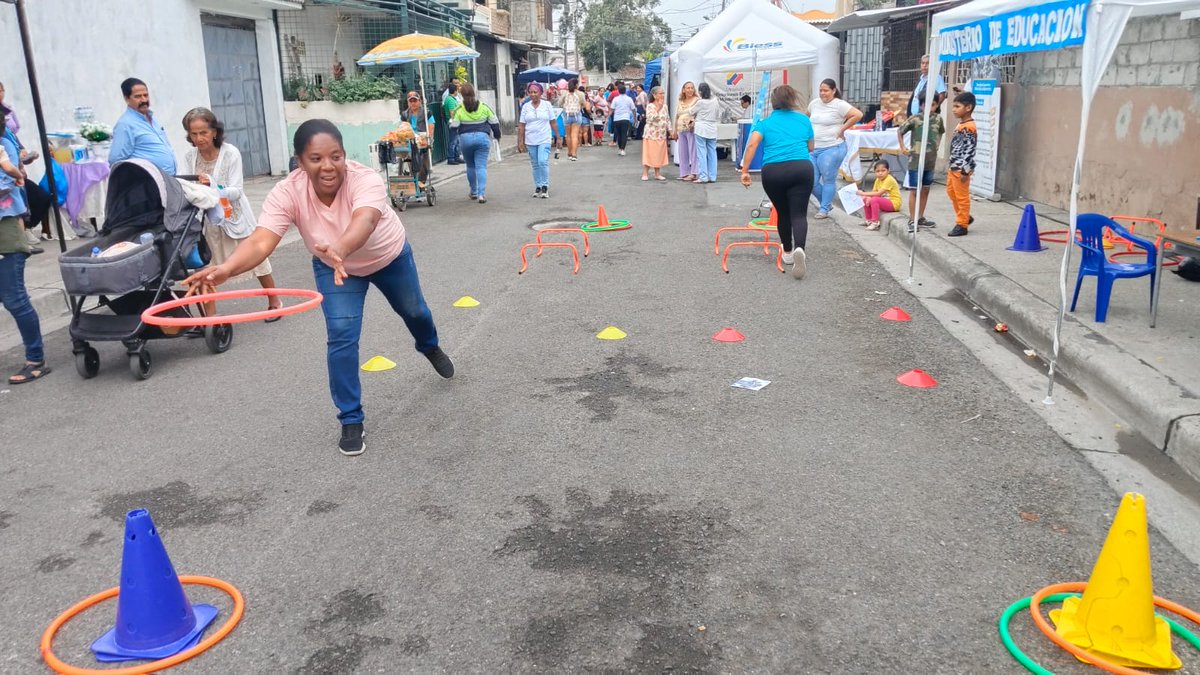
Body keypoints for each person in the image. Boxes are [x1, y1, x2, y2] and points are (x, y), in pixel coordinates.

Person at [183, 119, 454, 456]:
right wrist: (224, 269)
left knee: (415, 312)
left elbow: (365, 220)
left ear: (344, 156)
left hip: (388, 256)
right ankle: (351, 417)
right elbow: (262, 241)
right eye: (316, 158)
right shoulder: (288, 191)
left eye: (336, 156)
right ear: (300, 161)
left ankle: (429, 346)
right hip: (334, 269)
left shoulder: (364, 178)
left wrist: (340, 247)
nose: (328, 166)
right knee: (341, 335)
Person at [182, 107, 282, 316]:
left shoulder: (230, 153)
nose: (199, 138)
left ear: (214, 132)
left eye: (204, 132)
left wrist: (212, 185)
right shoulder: (190, 156)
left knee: (257, 260)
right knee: (204, 266)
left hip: (234, 217)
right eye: (194, 133)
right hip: (208, 221)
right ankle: (211, 318)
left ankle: (274, 299)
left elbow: (236, 191)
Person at [739, 85, 815, 280]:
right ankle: (800, 248)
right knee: (799, 213)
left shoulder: (765, 123)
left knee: (782, 212)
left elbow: (752, 144)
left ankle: (788, 253)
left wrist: (745, 171)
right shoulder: (804, 120)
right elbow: (811, 147)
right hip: (801, 168)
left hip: (774, 171)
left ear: (774, 103)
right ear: (792, 99)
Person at [0, 109, 49, 384]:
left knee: (14, 298)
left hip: (6, 228)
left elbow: (11, 182)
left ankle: (36, 359)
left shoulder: (5, 144)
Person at [808, 79, 863, 219]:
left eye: (826, 90)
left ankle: (824, 208)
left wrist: (843, 128)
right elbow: (806, 117)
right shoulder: (814, 103)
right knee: (810, 180)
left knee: (828, 179)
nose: (822, 93)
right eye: (821, 90)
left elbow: (858, 115)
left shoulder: (839, 105)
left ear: (833, 90)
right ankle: (825, 202)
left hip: (832, 147)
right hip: (814, 147)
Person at [897, 88, 945, 232]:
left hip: (930, 161)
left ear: (937, 105)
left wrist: (936, 145)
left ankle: (920, 217)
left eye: (933, 105)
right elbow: (900, 131)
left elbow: (941, 132)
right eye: (926, 105)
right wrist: (903, 147)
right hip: (916, 160)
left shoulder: (938, 119)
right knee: (914, 190)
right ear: (921, 105)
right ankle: (912, 219)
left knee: (925, 189)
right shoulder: (915, 119)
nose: (929, 108)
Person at [110, 78, 176, 175]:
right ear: (127, 99)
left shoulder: (151, 118)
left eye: (146, 95)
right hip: (147, 182)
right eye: (138, 96)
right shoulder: (125, 124)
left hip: (168, 179)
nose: (144, 100)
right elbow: (115, 160)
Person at [450, 83, 501, 204]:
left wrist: (453, 123)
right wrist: (497, 136)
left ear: (462, 95)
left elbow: (454, 126)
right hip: (482, 138)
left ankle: (473, 191)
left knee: (470, 166)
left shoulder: (459, 108)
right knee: (481, 166)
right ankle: (481, 194)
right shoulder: (484, 106)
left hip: (465, 139)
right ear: (474, 93)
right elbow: (494, 122)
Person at [517, 83, 558, 198]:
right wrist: (520, 141)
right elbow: (521, 125)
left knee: (542, 161)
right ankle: (538, 185)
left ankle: (545, 186)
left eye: (535, 92)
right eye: (530, 92)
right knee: (535, 164)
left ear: (540, 93)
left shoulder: (547, 105)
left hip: (544, 138)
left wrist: (558, 137)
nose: (533, 94)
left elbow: (553, 122)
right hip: (531, 140)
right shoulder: (525, 107)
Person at [946, 92, 977, 237]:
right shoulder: (961, 124)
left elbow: (970, 150)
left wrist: (965, 171)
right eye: (953, 106)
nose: (954, 109)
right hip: (954, 166)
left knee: (962, 196)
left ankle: (962, 224)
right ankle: (964, 215)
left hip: (961, 169)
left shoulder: (969, 127)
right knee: (951, 192)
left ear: (968, 107)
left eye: (957, 106)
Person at [640, 86, 674, 182]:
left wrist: (670, 130)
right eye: (660, 93)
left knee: (659, 153)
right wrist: (659, 107)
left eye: (663, 93)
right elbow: (651, 118)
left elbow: (667, 119)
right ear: (654, 95)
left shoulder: (665, 106)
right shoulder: (650, 106)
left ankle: (657, 173)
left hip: (661, 133)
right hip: (651, 134)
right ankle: (645, 173)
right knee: (649, 153)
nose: (662, 95)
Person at [856, 160, 901, 231]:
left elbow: (878, 193)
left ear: (888, 171)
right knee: (865, 199)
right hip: (884, 201)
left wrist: (863, 193)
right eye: (878, 171)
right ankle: (869, 220)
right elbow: (874, 192)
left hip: (894, 203)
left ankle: (875, 222)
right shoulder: (878, 180)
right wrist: (867, 197)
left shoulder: (889, 179)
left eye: (883, 171)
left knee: (874, 199)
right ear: (875, 172)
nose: (880, 173)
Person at [403, 91, 435, 187]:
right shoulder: (405, 114)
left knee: (424, 162)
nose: (413, 103)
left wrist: (427, 138)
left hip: (423, 138)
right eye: (411, 101)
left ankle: (421, 182)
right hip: (411, 140)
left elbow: (431, 126)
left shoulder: (426, 112)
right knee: (410, 161)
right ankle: (414, 182)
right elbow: (403, 127)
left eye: (415, 101)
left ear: (419, 101)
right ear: (408, 102)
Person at [691, 83, 721, 183]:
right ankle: (713, 176)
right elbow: (718, 114)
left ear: (700, 92)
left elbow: (691, 111)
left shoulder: (700, 102)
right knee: (712, 152)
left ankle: (703, 176)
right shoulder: (715, 100)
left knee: (701, 153)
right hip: (712, 128)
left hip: (701, 128)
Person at [560, 78, 589, 161]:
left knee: (568, 135)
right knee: (574, 135)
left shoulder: (565, 93)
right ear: (576, 85)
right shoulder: (580, 94)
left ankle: (569, 152)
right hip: (577, 115)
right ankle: (574, 154)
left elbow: (560, 103)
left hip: (567, 115)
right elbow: (583, 103)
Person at [675, 82, 699, 181]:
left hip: (691, 129)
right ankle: (684, 172)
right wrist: (674, 130)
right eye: (687, 88)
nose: (690, 90)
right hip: (681, 129)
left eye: (691, 88)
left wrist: (694, 123)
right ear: (683, 90)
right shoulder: (680, 101)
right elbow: (677, 116)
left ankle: (694, 173)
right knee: (682, 151)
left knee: (693, 151)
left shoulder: (697, 100)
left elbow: (699, 114)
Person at [610, 84, 636, 156]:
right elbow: (633, 109)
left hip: (617, 118)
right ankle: (623, 149)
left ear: (618, 91)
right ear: (625, 91)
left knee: (618, 134)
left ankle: (619, 148)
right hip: (625, 118)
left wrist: (607, 117)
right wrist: (635, 118)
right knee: (624, 134)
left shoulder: (615, 99)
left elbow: (612, 109)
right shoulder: (629, 99)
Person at [442, 83, 463, 165]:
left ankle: (456, 157)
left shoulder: (451, 99)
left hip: (455, 122)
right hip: (453, 122)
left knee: (456, 140)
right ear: (455, 91)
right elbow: (452, 113)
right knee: (453, 141)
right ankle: (451, 158)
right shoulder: (450, 100)